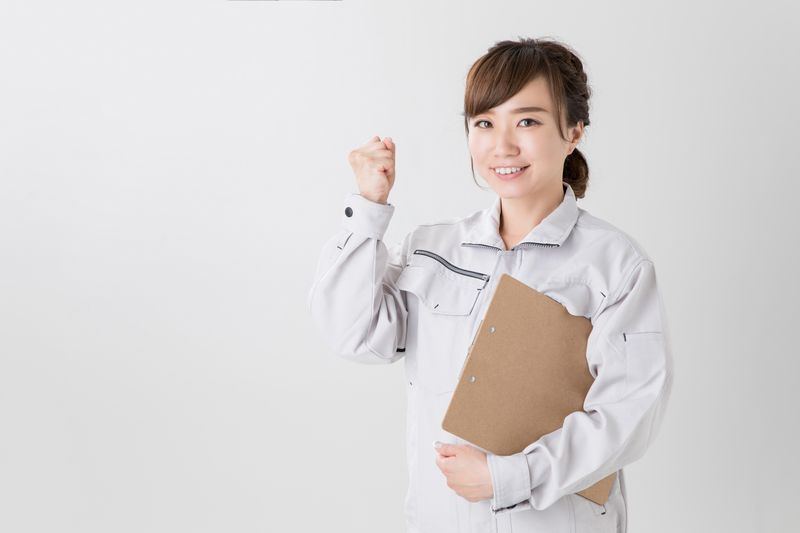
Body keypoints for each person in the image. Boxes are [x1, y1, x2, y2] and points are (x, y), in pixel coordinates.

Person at [307, 36, 674, 533]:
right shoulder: (432, 248)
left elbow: (629, 415)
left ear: (573, 131)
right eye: (484, 123)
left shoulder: (615, 265)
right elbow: (353, 334)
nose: (502, 146)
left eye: (527, 121)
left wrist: (509, 478)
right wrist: (368, 207)